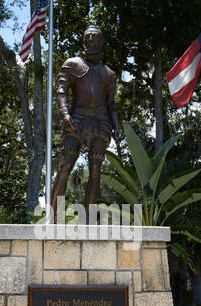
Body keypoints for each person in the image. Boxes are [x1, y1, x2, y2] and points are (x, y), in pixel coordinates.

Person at [51, 25, 122, 220]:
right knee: (66, 165)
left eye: (95, 38)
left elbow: (111, 104)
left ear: (101, 42)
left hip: (101, 120)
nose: (91, 41)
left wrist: (117, 126)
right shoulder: (72, 64)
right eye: (88, 38)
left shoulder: (109, 74)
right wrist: (65, 115)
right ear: (84, 41)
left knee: (95, 169)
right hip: (77, 117)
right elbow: (62, 92)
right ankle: (52, 216)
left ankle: (88, 219)